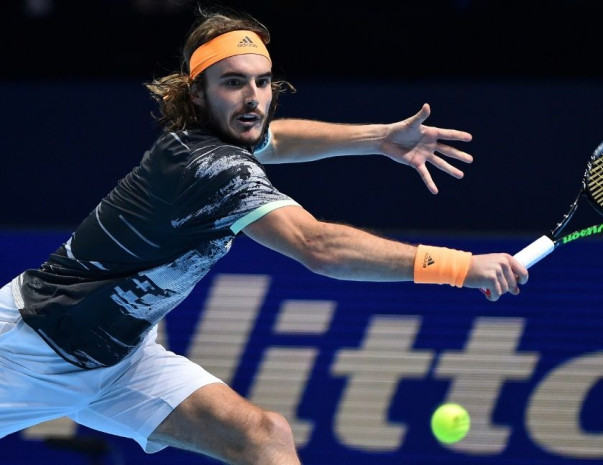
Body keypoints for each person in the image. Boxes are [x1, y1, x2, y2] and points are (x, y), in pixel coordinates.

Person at [0, 6, 528, 465]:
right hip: (28, 345)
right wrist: (463, 268)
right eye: (233, 82)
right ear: (198, 93)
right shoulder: (206, 164)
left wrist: (378, 139)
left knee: (263, 437)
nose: (253, 97)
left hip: (120, 360)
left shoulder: (218, 137)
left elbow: (277, 138)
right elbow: (320, 248)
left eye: (262, 81)